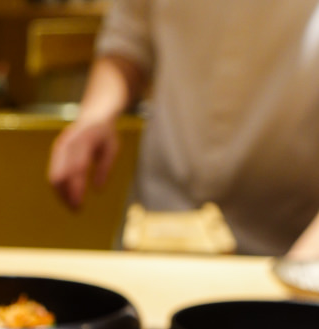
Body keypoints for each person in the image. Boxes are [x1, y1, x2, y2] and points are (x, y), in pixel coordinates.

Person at [47, 0, 319, 257]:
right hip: (160, 211)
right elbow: (128, 37)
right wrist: (96, 115)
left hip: (286, 236)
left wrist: (301, 268)